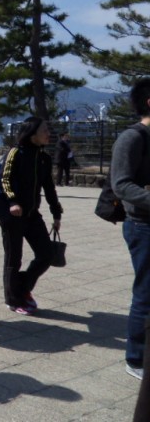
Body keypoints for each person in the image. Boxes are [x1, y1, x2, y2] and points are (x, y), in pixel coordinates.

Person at [0, 116, 62, 316]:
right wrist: (12, 201)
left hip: (33, 215)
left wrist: (56, 213)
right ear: (32, 133)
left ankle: (21, 288)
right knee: (13, 259)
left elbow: (49, 188)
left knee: (46, 255)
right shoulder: (15, 153)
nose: (48, 134)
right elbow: (5, 179)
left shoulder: (44, 158)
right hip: (13, 216)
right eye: (45, 130)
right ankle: (13, 300)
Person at [113, 78, 150, 381]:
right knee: (146, 293)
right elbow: (121, 184)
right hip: (143, 226)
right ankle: (136, 358)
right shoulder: (133, 138)